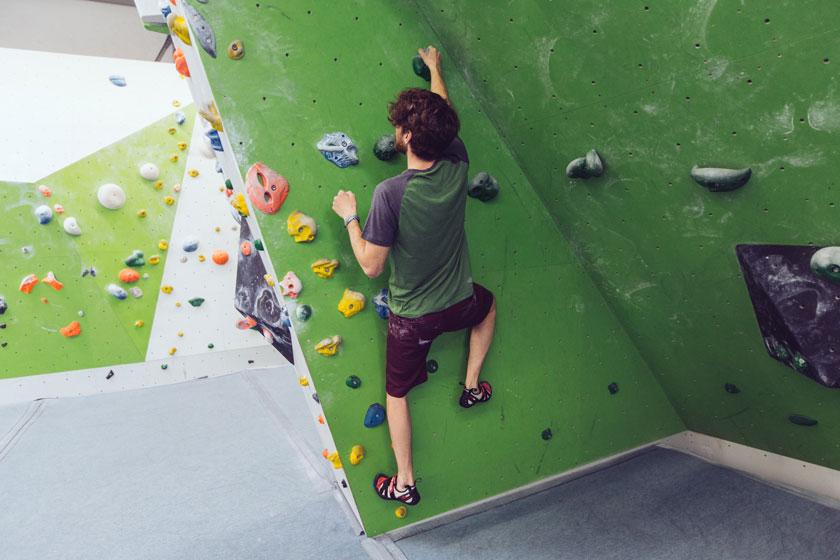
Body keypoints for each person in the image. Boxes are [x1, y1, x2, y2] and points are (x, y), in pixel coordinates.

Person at [331, 46, 496, 507]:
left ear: (403, 137)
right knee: (489, 306)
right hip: (460, 302)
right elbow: (444, 115)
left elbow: (370, 266)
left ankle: (405, 481)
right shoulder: (457, 163)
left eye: (398, 128)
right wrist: (436, 71)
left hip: (413, 319)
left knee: (396, 393)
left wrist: (349, 216)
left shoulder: (389, 194)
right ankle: (471, 387)